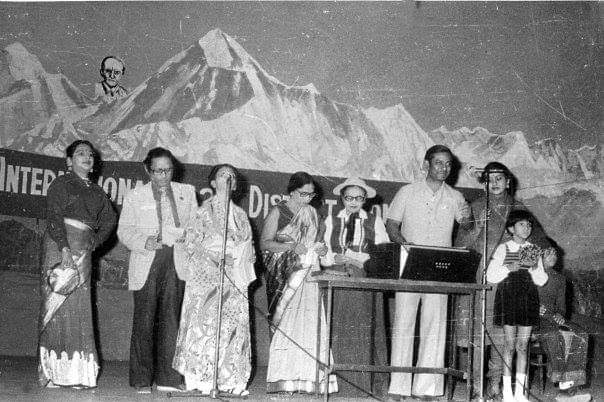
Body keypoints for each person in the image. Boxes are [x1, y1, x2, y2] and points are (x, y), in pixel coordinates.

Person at [454, 161, 551, 399]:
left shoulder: (518, 208)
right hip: (480, 276)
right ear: (483, 183)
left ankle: (496, 384)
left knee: (501, 334)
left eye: (499, 178)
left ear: (508, 181)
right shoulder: (475, 207)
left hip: (508, 281)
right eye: (489, 178)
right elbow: (460, 245)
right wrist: (477, 227)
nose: (494, 183)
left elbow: (539, 240)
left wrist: (548, 256)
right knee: (479, 334)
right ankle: (477, 386)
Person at [387, 145, 472, 399]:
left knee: (435, 327)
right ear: (426, 164)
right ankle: (399, 388)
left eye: (448, 164)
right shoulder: (407, 191)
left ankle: (427, 389)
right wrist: (405, 245)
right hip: (410, 265)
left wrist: (468, 217)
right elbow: (391, 225)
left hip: (440, 269)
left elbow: (466, 226)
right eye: (438, 163)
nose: (443, 168)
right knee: (404, 324)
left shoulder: (456, 197)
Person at [117, 147, 197, 393]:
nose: (163, 175)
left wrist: (187, 238)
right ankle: (141, 379)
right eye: (158, 171)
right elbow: (124, 230)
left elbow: (196, 227)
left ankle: (169, 379)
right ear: (147, 170)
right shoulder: (135, 196)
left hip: (177, 262)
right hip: (147, 262)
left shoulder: (187, 193)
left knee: (172, 320)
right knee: (144, 321)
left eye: (168, 170)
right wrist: (144, 242)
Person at [172, 164, 256, 396]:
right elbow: (190, 244)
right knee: (205, 325)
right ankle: (201, 378)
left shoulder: (240, 215)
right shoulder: (202, 212)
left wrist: (237, 257)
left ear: (236, 185)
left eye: (231, 176)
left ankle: (231, 379)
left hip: (232, 277)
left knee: (231, 327)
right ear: (212, 183)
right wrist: (212, 256)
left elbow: (250, 248)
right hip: (206, 277)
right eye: (222, 175)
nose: (227, 178)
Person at [39, 140, 116, 389]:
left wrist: (95, 241)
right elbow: (53, 216)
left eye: (90, 154)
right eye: (80, 153)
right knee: (58, 307)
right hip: (59, 247)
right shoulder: (61, 184)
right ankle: (53, 374)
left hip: (83, 249)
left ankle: (77, 375)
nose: (87, 156)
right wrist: (64, 249)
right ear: (69, 161)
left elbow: (109, 221)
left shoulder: (97, 192)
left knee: (80, 308)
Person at [262, 171, 337, 394]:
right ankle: (283, 379)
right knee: (286, 324)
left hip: (308, 273)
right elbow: (265, 244)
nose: (307, 198)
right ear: (292, 191)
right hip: (285, 276)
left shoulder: (313, 214)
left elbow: (318, 243)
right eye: (303, 194)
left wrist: (321, 249)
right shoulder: (279, 211)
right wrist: (291, 247)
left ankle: (309, 380)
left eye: (311, 195)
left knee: (310, 325)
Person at [320, 177, 390, 396]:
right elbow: (322, 253)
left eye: (358, 198)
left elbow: (383, 253)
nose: (353, 201)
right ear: (342, 198)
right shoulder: (331, 219)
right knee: (338, 328)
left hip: (363, 276)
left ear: (365, 200)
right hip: (336, 276)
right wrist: (332, 258)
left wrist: (358, 259)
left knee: (363, 330)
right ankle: (338, 385)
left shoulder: (374, 221)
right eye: (349, 197)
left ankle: (364, 385)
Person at [486, 210, 548, 402]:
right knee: (509, 345)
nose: (527, 228)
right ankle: (506, 393)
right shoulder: (503, 249)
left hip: (528, 298)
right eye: (522, 224)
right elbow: (491, 276)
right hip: (508, 298)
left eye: (529, 225)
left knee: (523, 346)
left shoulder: (533, 249)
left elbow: (541, 280)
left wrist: (537, 268)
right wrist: (508, 268)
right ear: (511, 228)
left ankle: (520, 394)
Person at [536, 248, 591, 402]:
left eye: (555, 253)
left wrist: (560, 315)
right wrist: (534, 307)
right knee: (555, 335)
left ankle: (573, 383)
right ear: (539, 256)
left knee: (581, 334)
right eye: (548, 253)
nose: (553, 256)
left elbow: (561, 307)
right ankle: (564, 387)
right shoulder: (530, 275)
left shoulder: (559, 279)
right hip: (535, 321)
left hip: (553, 318)